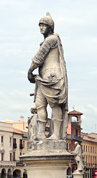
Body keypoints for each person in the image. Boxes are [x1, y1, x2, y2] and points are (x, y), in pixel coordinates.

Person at [27, 12, 68, 141]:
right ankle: (40, 134)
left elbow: (39, 57)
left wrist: (30, 71)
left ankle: (56, 134)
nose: (41, 28)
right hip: (42, 77)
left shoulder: (51, 39)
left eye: (44, 25)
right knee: (40, 104)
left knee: (54, 104)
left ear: (50, 27)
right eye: (40, 25)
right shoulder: (49, 40)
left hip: (52, 76)